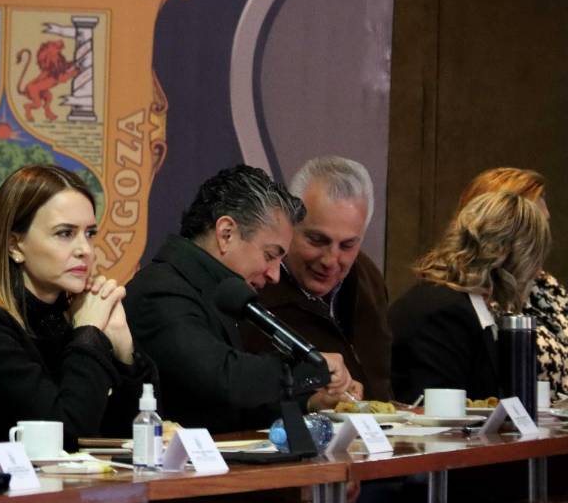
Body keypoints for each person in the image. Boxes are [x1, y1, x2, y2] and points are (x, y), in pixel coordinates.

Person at [0, 165, 157, 458]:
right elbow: (64, 435)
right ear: (15, 245)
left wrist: (123, 349)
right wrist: (89, 334)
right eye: (65, 233)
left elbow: (134, 436)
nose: (85, 250)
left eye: (89, 234)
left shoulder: (67, 317)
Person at [126, 165, 353, 433]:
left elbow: (227, 411)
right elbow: (222, 379)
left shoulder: (215, 292)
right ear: (226, 234)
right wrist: (309, 369)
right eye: (270, 255)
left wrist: (311, 401)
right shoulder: (159, 291)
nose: (274, 275)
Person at [239, 156, 390, 402]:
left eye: (348, 245)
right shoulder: (253, 287)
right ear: (288, 225)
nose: (331, 260)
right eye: (317, 240)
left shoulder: (368, 279)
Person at [390, 191, 551, 403]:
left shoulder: (459, 304)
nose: (537, 271)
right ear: (503, 252)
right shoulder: (446, 313)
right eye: (533, 257)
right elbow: (440, 419)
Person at [454, 168, 568, 397]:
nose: (544, 240)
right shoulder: (476, 298)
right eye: (533, 229)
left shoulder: (548, 288)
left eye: (544, 226)